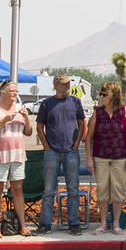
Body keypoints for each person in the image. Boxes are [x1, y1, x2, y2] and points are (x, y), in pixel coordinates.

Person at [35, 74, 87, 235]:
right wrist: (46, 146)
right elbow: (39, 127)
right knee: (49, 190)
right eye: (63, 84)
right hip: (52, 152)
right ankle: (45, 224)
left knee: (73, 189)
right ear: (56, 85)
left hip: (71, 151)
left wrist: (77, 143)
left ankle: (74, 223)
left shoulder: (75, 102)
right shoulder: (46, 104)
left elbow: (81, 124)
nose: (66, 87)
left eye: (68, 84)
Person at [85, 82, 126, 235]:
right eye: (100, 94)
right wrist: (89, 158)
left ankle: (115, 223)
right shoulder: (97, 113)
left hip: (120, 157)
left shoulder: (125, 111)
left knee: (117, 190)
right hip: (100, 157)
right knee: (102, 190)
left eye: (104, 94)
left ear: (113, 95)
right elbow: (89, 138)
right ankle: (102, 223)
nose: (101, 97)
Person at [0, 80, 33, 238]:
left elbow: (28, 132)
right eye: (12, 91)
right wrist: (4, 120)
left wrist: (26, 119)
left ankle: (23, 225)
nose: (15, 94)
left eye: (16, 91)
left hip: (17, 155)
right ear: (3, 93)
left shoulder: (20, 108)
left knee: (18, 189)